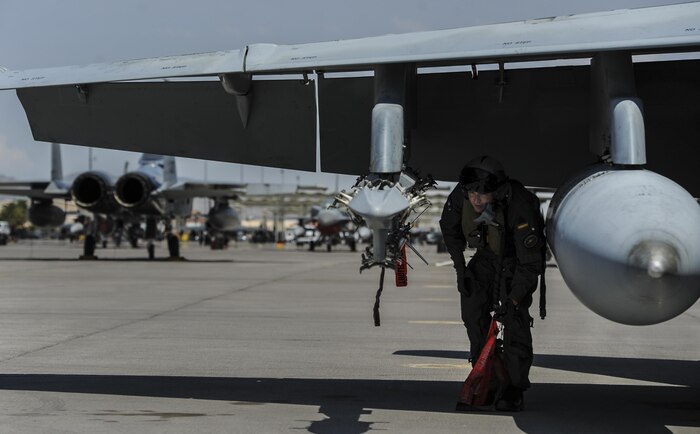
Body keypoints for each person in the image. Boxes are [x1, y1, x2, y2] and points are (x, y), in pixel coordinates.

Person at [439, 155, 545, 411]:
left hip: (515, 261)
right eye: (471, 192)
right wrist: (461, 269)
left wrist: (514, 298)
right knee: (472, 310)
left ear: (496, 191)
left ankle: (514, 388)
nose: (475, 198)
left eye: (482, 193)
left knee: (514, 319)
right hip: (486, 257)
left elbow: (530, 264)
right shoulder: (462, 194)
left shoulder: (519, 205)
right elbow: (449, 228)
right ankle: (487, 379)